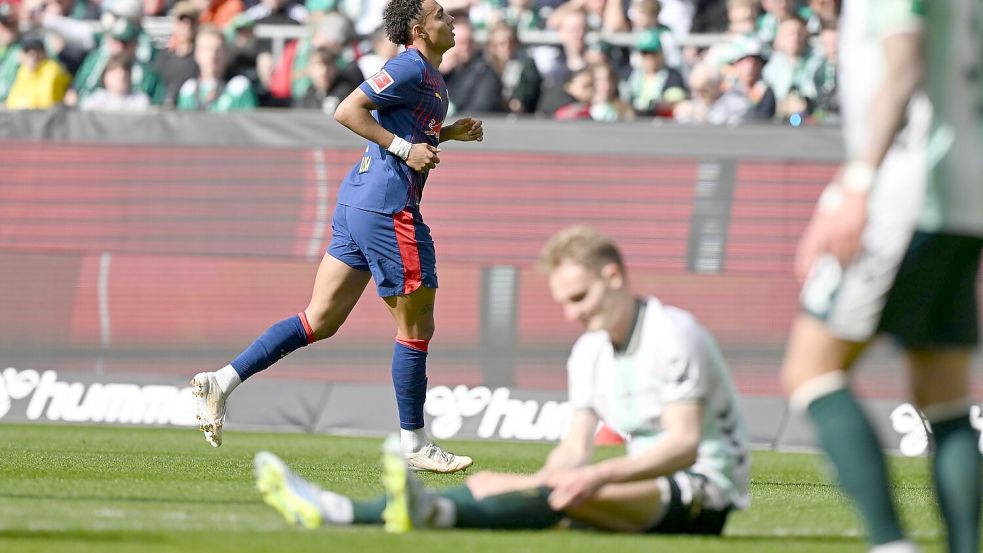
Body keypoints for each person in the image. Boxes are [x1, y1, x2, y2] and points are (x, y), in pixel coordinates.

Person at [253, 225, 750, 534]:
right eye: (563, 302)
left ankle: (396, 514)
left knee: (562, 493)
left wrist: (589, 478)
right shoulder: (589, 352)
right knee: (495, 483)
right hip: (647, 485)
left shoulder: (672, 335)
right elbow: (575, 448)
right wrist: (552, 478)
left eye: (580, 298)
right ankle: (345, 511)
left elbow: (683, 446)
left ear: (614, 277)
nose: (572, 314)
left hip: (703, 494)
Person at [191, 0, 484, 474]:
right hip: (387, 207)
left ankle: (220, 382)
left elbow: (405, 128)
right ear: (418, 29)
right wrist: (407, 149)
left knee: (319, 320)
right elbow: (348, 110)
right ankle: (415, 443)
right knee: (416, 327)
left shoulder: (429, 75)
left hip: (359, 204)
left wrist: (445, 135)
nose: (450, 19)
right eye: (440, 14)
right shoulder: (409, 66)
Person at [781, 1, 982, 553]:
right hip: (964, 198)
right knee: (943, 393)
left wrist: (856, 184)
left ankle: (891, 545)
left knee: (810, 370)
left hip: (905, 195)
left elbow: (904, 64)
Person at [176, 25, 257, 111]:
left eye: (218, 50)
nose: (212, 55)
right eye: (206, 49)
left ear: (226, 53)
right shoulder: (188, 91)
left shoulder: (239, 88)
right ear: (197, 54)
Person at [4, 32, 71, 109]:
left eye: (36, 51)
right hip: (26, 114)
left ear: (44, 53)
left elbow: (46, 102)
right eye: (27, 51)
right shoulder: (23, 70)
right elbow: (12, 101)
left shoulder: (52, 69)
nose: (32, 56)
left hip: (50, 115)